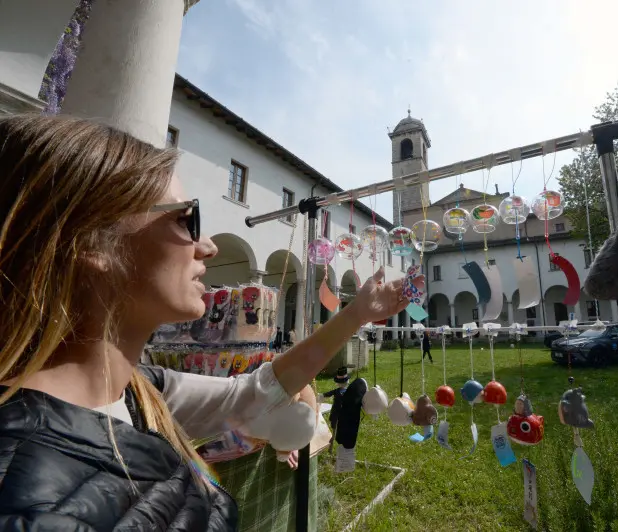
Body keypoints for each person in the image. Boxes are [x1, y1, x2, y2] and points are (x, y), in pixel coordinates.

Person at [0, 114, 409, 531]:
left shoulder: (141, 391)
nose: (209, 246)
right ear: (91, 241)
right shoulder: (29, 501)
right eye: (186, 219)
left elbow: (256, 392)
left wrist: (356, 314)